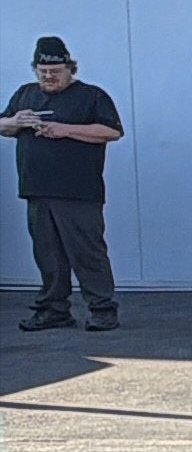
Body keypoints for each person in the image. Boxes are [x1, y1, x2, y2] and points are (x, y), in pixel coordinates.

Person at [9, 37, 124, 333]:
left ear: (70, 68)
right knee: (47, 254)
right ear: (35, 70)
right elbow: (3, 125)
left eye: (56, 72)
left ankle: (102, 308)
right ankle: (53, 309)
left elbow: (111, 131)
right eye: (43, 72)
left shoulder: (91, 96)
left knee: (87, 252)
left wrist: (65, 130)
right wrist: (15, 121)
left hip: (78, 190)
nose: (49, 77)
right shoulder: (25, 94)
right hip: (36, 187)